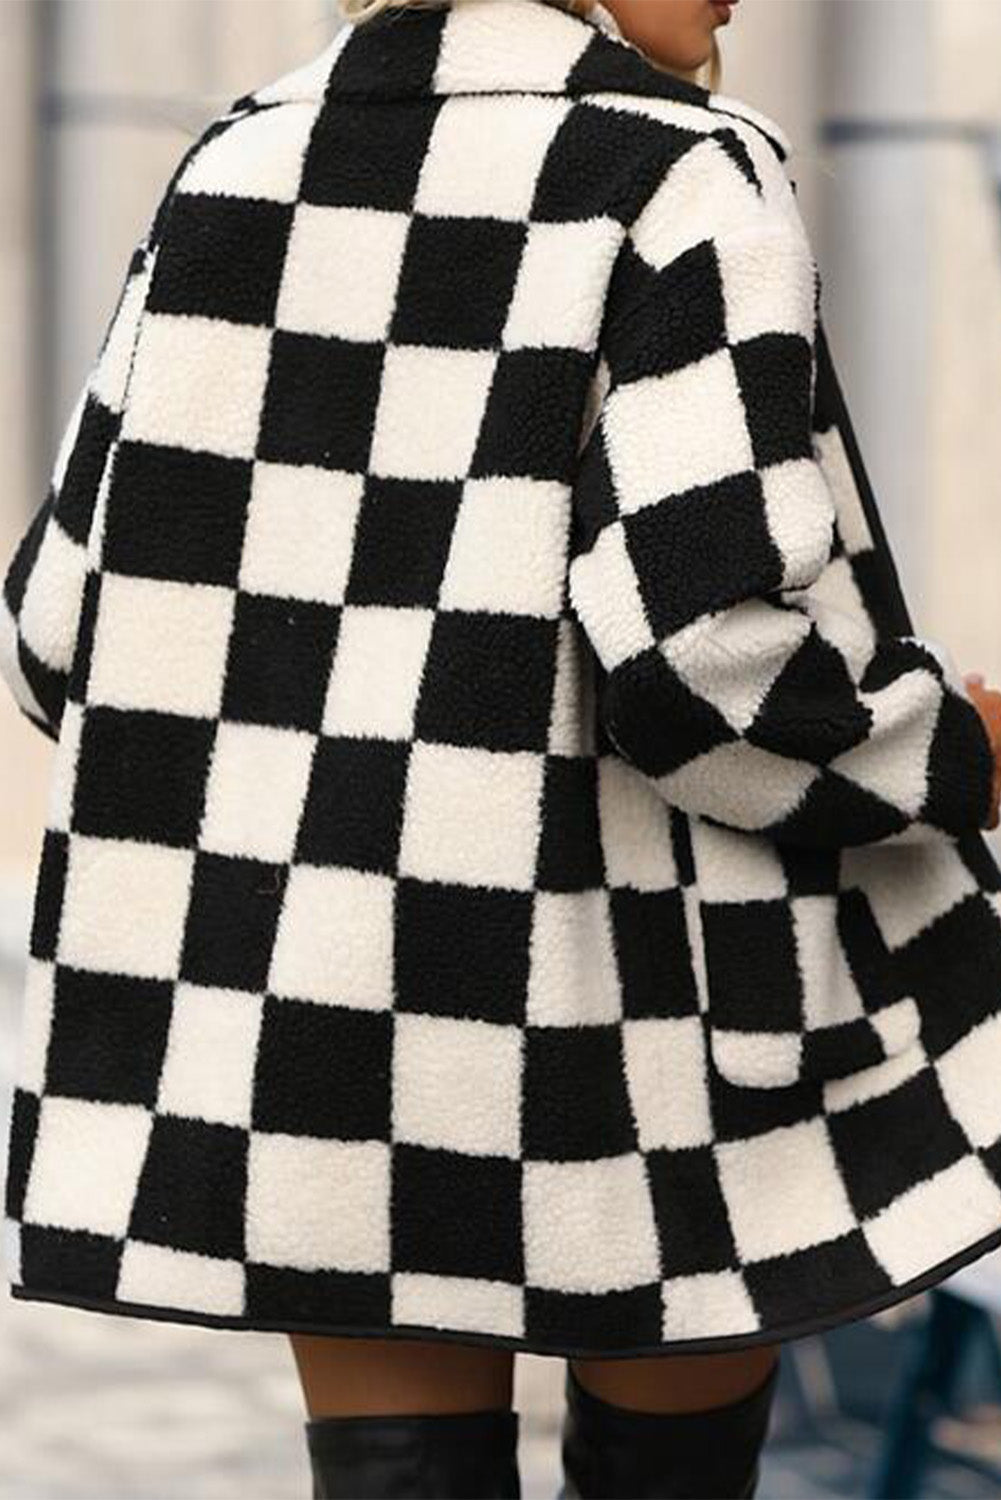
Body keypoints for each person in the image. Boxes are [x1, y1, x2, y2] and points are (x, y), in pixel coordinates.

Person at [4, 0, 1001, 1494]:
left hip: (316, 1009)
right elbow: (702, 670)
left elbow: (56, 629)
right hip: (651, 1034)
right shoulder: (674, 170)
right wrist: (950, 748)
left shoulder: (236, 162)